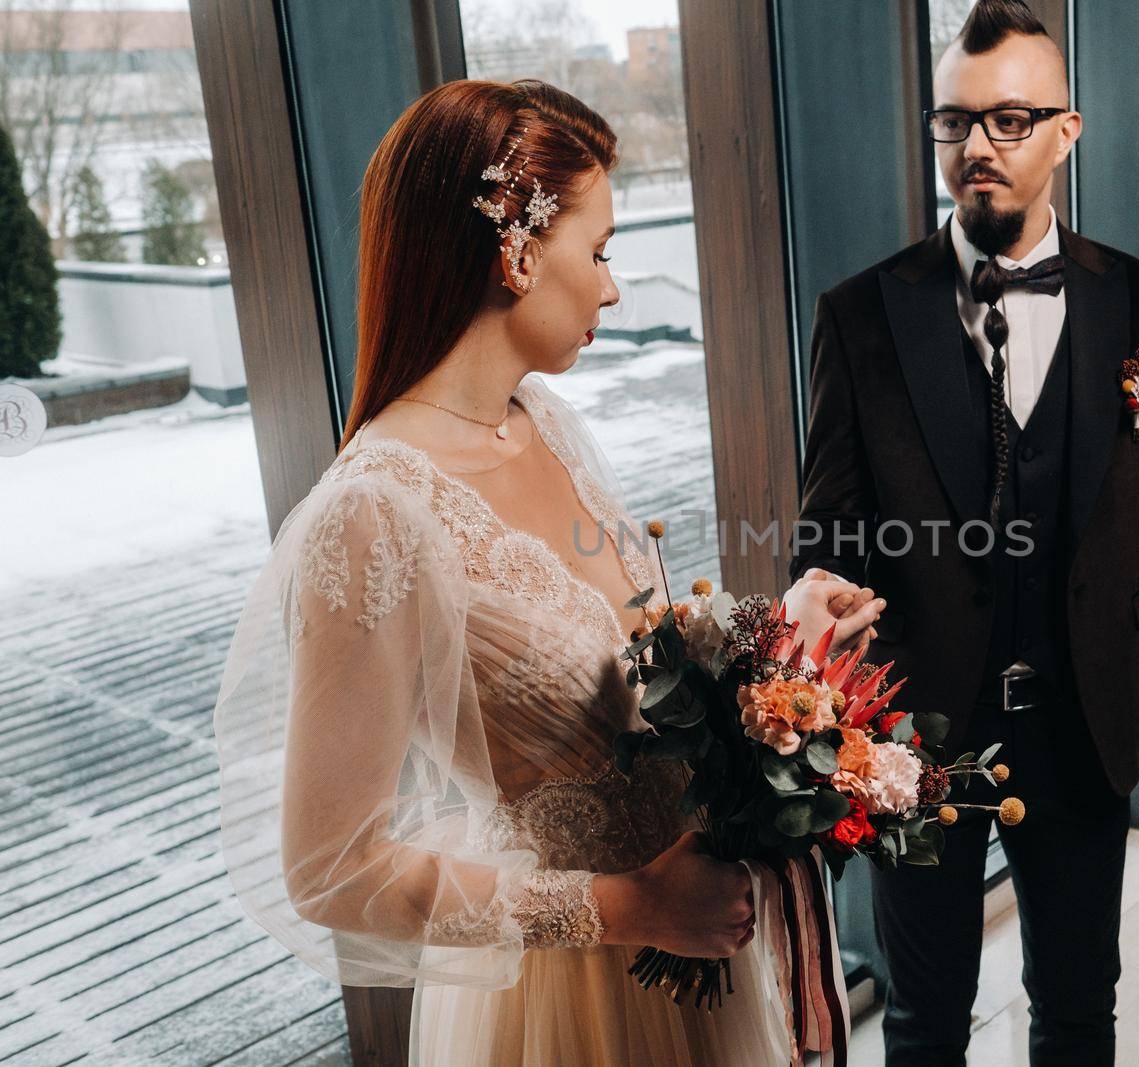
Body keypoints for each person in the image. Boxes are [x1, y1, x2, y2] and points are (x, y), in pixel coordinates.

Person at [211, 78, 880, 1066]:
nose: (612, 286)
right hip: (568, 1003)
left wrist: (771, 629)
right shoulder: (374, 512)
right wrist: (631, 906)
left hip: (692, 945)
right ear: (516, 253)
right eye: (600, 251)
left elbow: (630, 648)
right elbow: (328, 868)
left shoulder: (546, 425)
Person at [789, 2, 1139, 1063]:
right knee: (924, 1020)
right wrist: (813, 592)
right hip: (912, 739)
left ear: (1067, 132)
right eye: (954, 121)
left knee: (1077, 1008)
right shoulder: (859, 314)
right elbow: (829, 526)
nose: (977, 145)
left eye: (1010, 119)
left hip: (1084, 717)